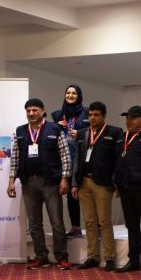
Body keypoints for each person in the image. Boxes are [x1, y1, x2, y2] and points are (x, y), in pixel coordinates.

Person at [7, 98, 72, 270]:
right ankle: (41, 256)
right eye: (28, 111)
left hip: (51, 183)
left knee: (57, 222)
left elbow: (65, 156)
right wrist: (11, 181)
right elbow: (15, 157)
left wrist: (65, 178)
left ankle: (62, 257)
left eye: (35, 110)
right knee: (34, 223)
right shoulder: (20, 131)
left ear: (43, 111)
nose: (31, 113)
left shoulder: (54, 128)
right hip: (28, 183)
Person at [72, 101, 123, 271]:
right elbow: (77, 159)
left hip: (103, 183)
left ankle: (109, 258)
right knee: (89, 221)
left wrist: (116, 181)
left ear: (103, 116)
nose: (92, 118)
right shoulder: (82, 133)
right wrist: (74, 183)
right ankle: (92, 256)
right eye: (90, 115)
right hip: (83, 182)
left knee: (104, 221)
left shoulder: (114, 132)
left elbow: (118, 159)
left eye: (96, 115)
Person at [114, 106, 141, 273]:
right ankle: (133, 260)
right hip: (125, 188)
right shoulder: (121, 137)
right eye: (127, 118)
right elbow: (117, 161)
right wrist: (116, 182)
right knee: (131, 225)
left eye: (132, 118)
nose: (128, 121)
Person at [51, 85, 89, 238]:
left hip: (81, 158)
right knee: (70, 195)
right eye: (68, 93)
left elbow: (94, 131)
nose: (70, 95)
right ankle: (75, 227)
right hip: (63, 159)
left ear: (79, 96)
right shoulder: (57, 115)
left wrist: (78, 133)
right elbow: (51, 133)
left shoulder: (87, 112)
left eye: (74, 93)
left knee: (84, 193)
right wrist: (56, 126)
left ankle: (95, 226)